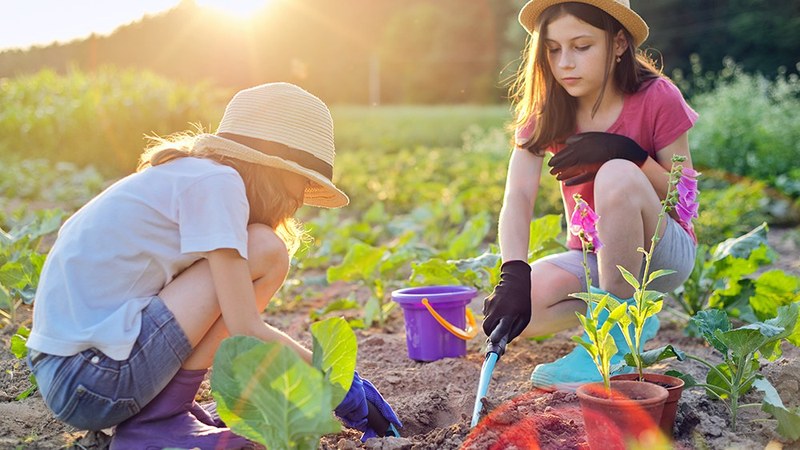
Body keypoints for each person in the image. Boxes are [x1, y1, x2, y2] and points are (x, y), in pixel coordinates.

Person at [26, 82, 401, 449]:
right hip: (93, 380)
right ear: (273, 167)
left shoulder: (194, 175)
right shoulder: (219, 184)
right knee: (266, 250)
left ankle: (166, 411)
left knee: (256, 249)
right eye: (303, 179)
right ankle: (159, 420)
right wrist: (335, 381)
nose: (302, 196)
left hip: (72, 374)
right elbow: (244, 327)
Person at [482, 0, 699, 391]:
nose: (565, 62)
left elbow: (682, 197)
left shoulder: (657, 96)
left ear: (618, 44)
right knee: (514, 314)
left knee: (617, 174)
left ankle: (609, 346)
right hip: (594, 256)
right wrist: (513, 271)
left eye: (581, 47)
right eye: (553, 49)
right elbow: (517, 196)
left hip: (662, 251)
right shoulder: (547, 107)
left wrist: (629, 154)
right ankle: (633, 315)